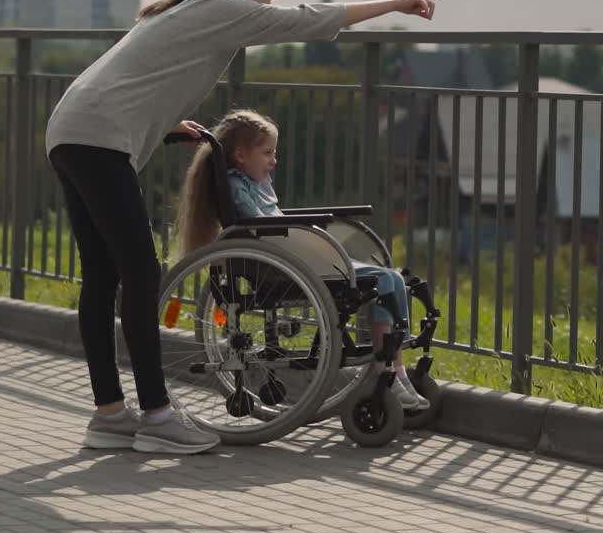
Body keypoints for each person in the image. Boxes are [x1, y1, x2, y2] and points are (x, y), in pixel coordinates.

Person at [46, 0, 441, 453]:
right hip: (99, 139)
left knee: (102, 277)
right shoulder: (224, 10)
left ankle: (111, 415)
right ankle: (158, 416)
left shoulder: (185, 7)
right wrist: (397, 3)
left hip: (72, 130)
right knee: (140, 273)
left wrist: (166, 125)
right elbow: (309, 18)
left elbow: (140, 76)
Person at [177, 108, 429, 412]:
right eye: (267, 152)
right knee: (388, 280)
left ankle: (394, 370)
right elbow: (258, 228)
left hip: (292, 261)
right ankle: (388, 370)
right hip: (287, 266)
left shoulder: (248, 185)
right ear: (242, 155)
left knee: (392, 279)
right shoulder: (238, 186)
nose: (273, 160)